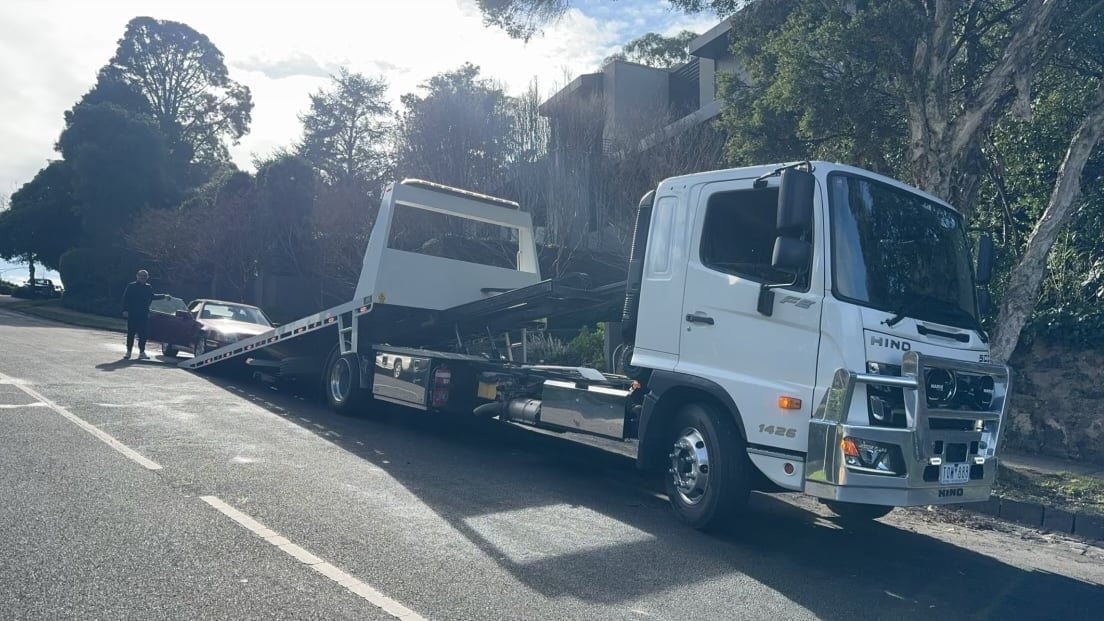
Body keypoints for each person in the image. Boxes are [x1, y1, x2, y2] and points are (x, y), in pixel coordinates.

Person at [121, 269, 169, 360]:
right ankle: (128, 352)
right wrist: (125, 310)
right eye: (141, 276)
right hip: (133, 313)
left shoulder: (148, 287)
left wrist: (163, 296)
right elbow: (125, 298)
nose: (143, 278)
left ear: (147, 277)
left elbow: (152, 296)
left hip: (144, 314)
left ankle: (142, 352)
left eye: (145, 276)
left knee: (143, 334)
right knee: (131, 333)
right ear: (137, 276)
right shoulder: (131, 286)